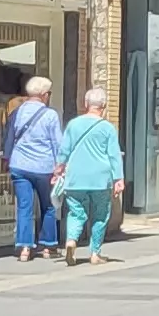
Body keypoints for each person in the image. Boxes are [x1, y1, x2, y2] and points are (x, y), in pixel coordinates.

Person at [58, 88, 125, 266]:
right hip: (100, 178)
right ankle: (95, 253)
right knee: (100, 215)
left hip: (76, 177)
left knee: (76, 212)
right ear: (104, 106)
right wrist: (119, 179)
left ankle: (71, 240)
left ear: (86, 104)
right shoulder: (107, 128)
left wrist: (59, 168)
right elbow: (114, 155)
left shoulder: (73, 124)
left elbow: (64, 150)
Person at [2, 77, 64, 263]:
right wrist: (60, 166)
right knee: (48, 206)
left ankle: (24, 247)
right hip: (44, 167)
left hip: (20, 165)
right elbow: (57, 143)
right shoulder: (50, 115)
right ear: (44, 95)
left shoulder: (17, 112)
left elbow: (9, 136)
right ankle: (48, 245)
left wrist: (8, 159)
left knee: (24, 207)